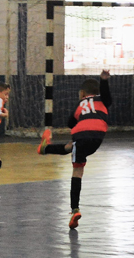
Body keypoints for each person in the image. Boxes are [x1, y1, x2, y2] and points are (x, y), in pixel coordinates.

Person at [36, 71, 112, 229]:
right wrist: (104, 80)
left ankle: (74, 209)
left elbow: (70, 122)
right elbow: (107, 96)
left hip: (81, 135)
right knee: (71, 147)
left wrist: (80, 120)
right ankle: (45, 148)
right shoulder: (102, 100)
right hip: (97, 138)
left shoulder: (80, 104)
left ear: (82, 93)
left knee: (77, 171)